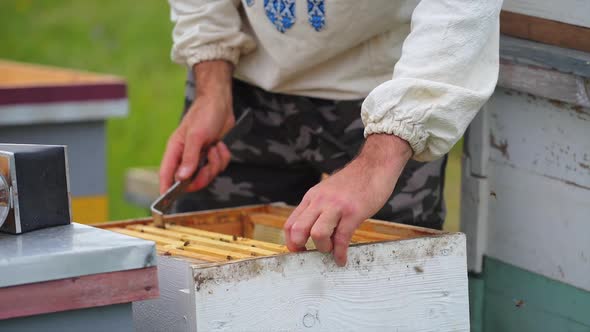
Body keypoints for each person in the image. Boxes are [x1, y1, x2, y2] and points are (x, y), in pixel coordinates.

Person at [161, 0, 501, 266]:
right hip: (245, 82)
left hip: (386, 92)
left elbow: (460, 8)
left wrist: (383, 154)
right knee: (205, 288)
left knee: (393, 288)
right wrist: (211, 86)